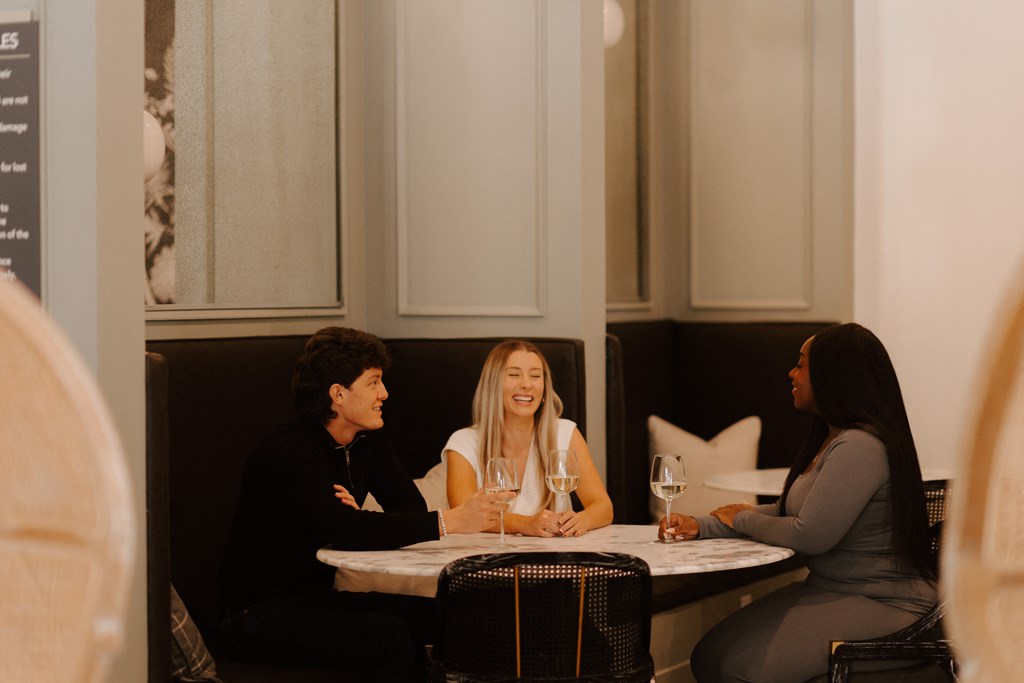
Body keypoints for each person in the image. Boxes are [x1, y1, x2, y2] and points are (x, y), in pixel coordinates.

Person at [218, 326, 512, 682]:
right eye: (374, 382)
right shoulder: (291, 453)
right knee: (388, 637)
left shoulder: (367, 438)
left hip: (316, 599)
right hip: (257, 615)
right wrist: (451, 521)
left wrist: (358, 522)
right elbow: (345, 532)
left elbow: (408, 506)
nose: (384, 393)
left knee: (450, 614)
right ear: (338, 394)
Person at [659, 323, 938, 682]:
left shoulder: (861, 445)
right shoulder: (832, 437)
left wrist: (740, 517)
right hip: (832, 587)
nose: (792, 373)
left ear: (834, 376)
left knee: (738, 672)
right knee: (708, 656)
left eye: (801, 365)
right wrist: (704, 525)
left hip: (888, 603)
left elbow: (810, 535)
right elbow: (784, 512)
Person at [444, 339, 613, 537]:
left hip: (552, 554)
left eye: (535, 376)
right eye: (514, 375)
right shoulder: (463, 443)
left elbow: (603, 506)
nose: (526, 384)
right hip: (487, 555)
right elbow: (463, 514)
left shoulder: (565, 433)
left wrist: (583, 520)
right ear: (493, 385)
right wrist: (524, 524)